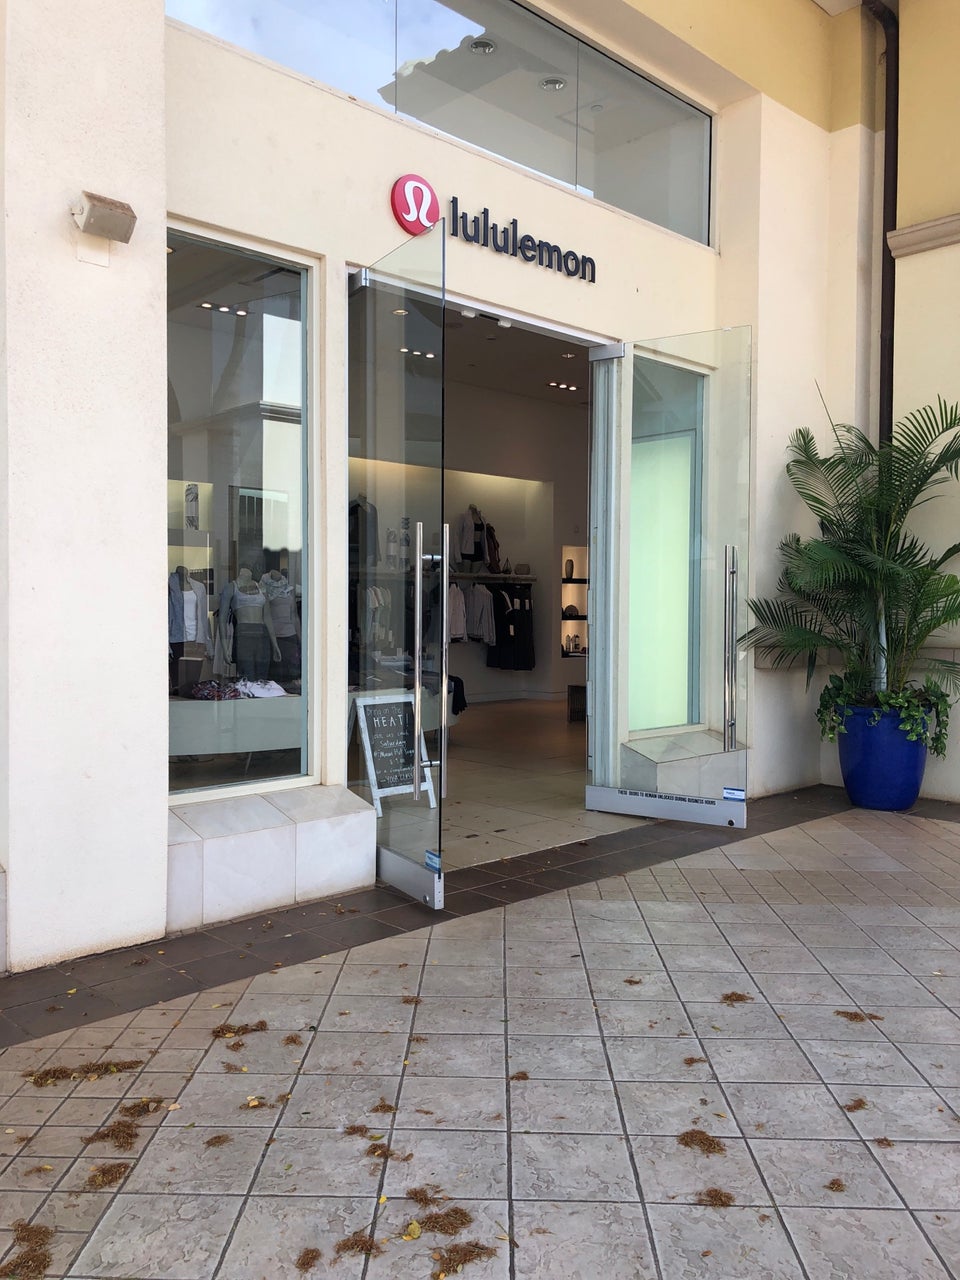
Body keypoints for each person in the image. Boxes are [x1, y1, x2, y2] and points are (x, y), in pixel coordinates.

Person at [219, 564, 280, 679]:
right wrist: (225, 647)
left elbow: (267, 616)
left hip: (262, 633)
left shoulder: (261, 587)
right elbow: (222, 619)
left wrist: (275, 644)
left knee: (262, 677)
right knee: (247, 675)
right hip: (244, 632)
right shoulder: (231, 587)